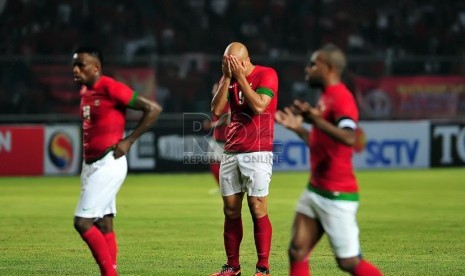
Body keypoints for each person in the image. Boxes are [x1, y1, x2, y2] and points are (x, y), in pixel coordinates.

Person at [274, 44, 382, 276]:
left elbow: (350, 137)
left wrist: (316, 121)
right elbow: (322, 141)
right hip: (316, 189)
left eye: (314, 64)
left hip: (337, 193)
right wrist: (300, 129)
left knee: (349, 262)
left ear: (329, 68)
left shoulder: (342, 98)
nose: (308, 68)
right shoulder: (326, 97)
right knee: (297, 250)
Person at [72, 46, 162, 276]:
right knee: (104, 224)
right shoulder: (85, 90)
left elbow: (152, 109)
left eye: (81, 65)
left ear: (96, 68)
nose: (76, 69)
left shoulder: (110, 87)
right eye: (74, 64)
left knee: (82, 222)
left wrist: (129, 140)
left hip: (109, 162)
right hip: (90, 165)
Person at [210, 42, 278, 276]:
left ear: (244, 61)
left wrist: (242, 78)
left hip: (258, 151)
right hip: (231, 150)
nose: (225, 65)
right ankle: (232, 266)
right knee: (230, 210)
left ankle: (263, 268)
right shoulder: (227, 78)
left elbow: (260, 106)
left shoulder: (267, 74)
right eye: (223, 61)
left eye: (230, 62)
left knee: (257, 207)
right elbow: (217, 109)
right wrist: (228, 79)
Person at [203, 82, 230, 192]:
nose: (213, 90)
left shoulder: (225, 101)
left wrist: (213, 125)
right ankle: (222, 187)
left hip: (225, 138)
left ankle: (226, 187)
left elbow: (228, 117)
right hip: (216, 137)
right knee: (213, 161)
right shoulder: (217, 101)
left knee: (223, 165)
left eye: (215, 88)